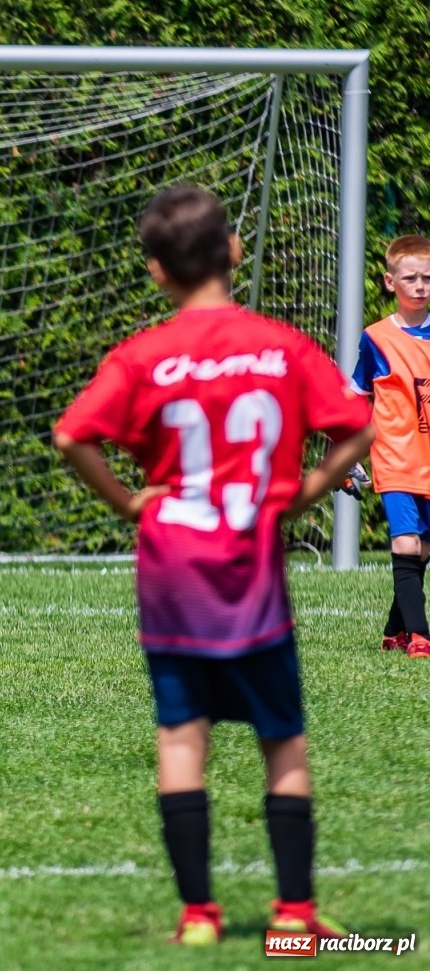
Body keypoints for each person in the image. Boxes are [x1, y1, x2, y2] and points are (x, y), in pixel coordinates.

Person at [53, 186, 373, 946]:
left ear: (157, 271)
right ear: (233, 249)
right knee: (282, 741)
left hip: (172, 575)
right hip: (253, 574)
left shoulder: (142, 355)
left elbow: (71, 438)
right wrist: (304, 493)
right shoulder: (282, 347)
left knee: (179, 736)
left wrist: (128, 504)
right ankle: (294, 916)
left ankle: (199, 916)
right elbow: (357, 429)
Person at [350, 234, 430, 657]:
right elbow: (354, 397)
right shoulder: (376, 338)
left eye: (427, 278)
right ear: (390, 281)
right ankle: (420, 636)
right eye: (411, 278)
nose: (420, 286)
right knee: (406, 543)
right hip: (395, 456)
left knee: (424, 548)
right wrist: (346, 454)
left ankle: (394, 630)